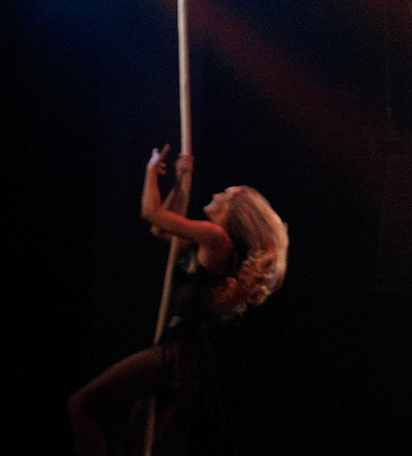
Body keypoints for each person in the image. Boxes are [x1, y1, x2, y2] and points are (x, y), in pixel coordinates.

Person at [68, 146, 288, 455]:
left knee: (83, 404)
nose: (217, 194)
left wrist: (149, 172)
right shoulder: (207, 242)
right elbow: (161, 227)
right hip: (179, 354)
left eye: (225, 194)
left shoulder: (216, 238)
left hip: (179, 355)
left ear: (234, 211)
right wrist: (180, 182)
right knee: (136, 442)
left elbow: (151, 213)